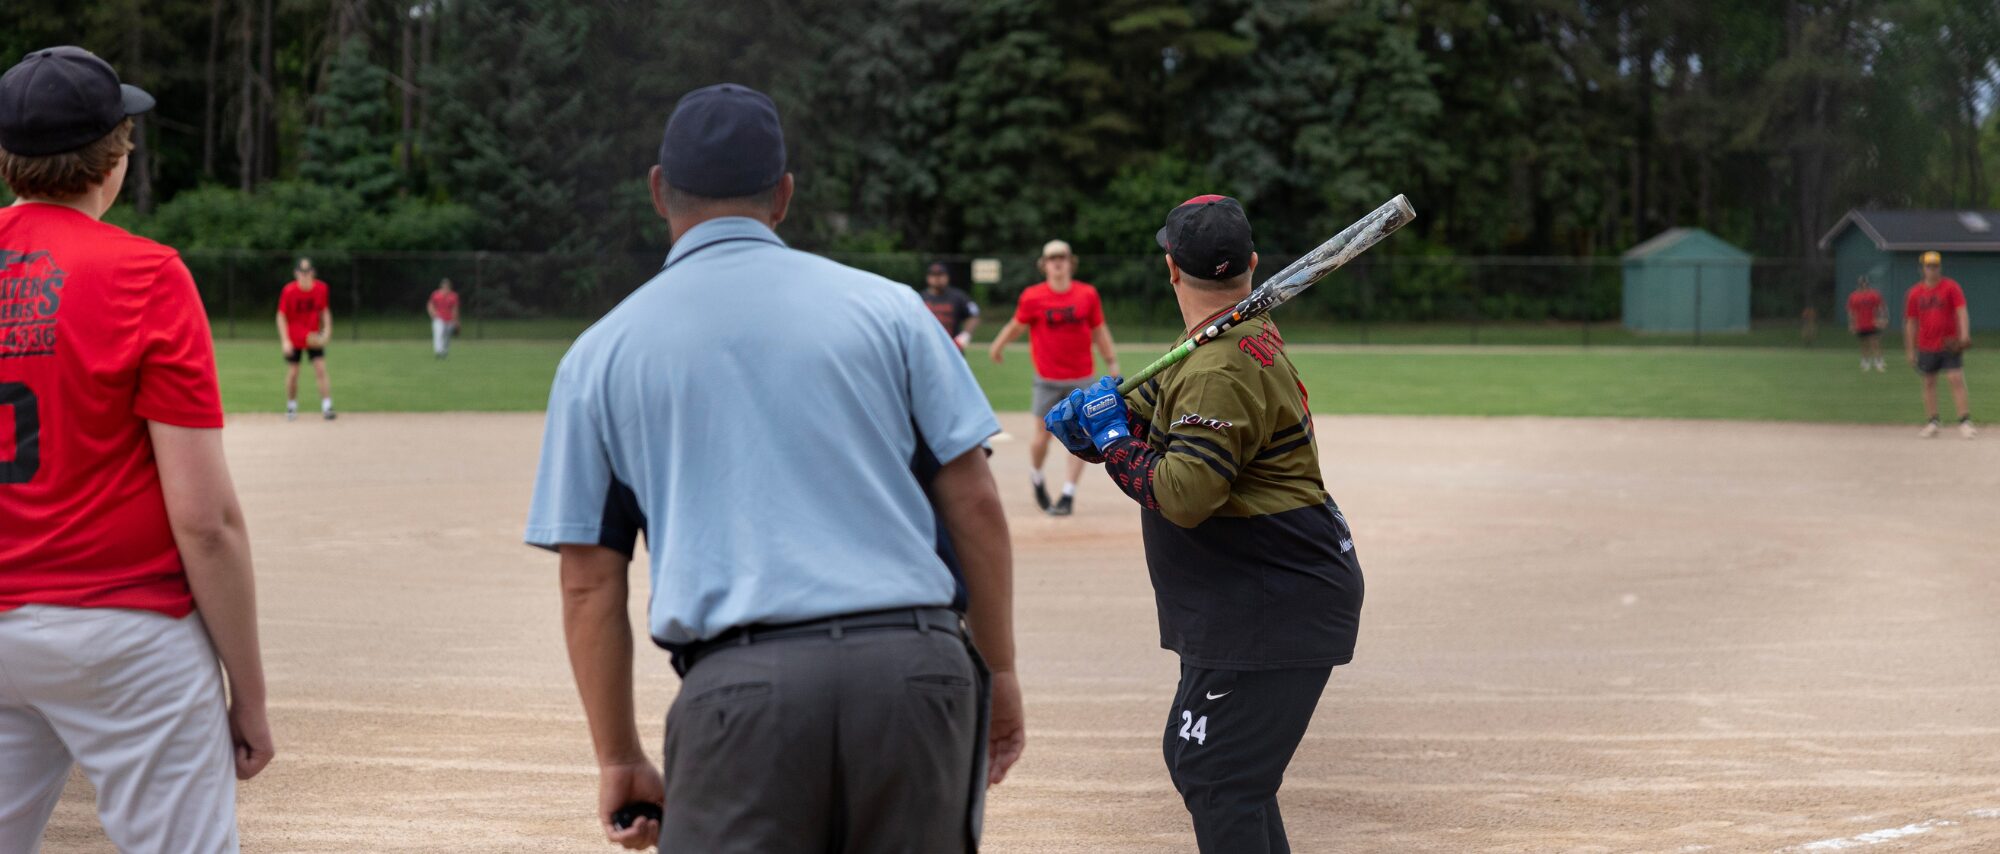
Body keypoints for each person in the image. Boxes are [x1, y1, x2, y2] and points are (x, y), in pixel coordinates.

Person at [524, 83, 1024, 852]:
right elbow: (976, 503)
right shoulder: (892, 311)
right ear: (783, 195)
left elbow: (588, 583)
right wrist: (1002, 670)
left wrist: (619, 757)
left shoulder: (599, 356)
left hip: (741, 694)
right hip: (912, 672)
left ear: (658, 190)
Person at [0, 45, 274, 853]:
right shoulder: (145, 274)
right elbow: (206, 521)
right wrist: (250, 694)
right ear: (114, 157)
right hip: (122, 632)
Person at [1044, 195, 1363, 854]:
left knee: (1218, 774)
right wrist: (1095, 428)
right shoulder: (1218, 343)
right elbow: (1143, 417)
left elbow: (1183, 494)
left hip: (1272, 596)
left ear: (1170, 269)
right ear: (1252, 263)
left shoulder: (1220, 363)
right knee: (1219, 770)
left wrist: (1111, 439)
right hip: (1254, 593)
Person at [986, 239, 1119, 516]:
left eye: (1062, 257)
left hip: (1082, 377)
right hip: (1047, 378)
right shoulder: (1033, 296)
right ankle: (1036, 476)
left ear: (1071, 262)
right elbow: (1016, 326)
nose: (1057, 262)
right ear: (1044, 265)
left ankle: (1068, 494)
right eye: (1052, 258)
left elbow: (1099, 330)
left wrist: (1111, 361)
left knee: (1084, 436)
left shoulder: (1087, 294)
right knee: (1041, 436)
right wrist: (997, 346)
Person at [1904, 251, 1974, 439]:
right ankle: (1933, 421)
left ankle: (1965, 421)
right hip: (1926, 344)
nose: (1932, 269)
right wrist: (1910, 350)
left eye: (1935, 266)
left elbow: (1961, 311)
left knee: (1955, 378)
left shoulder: (1951, 287)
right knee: (1928, 382)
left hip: (1948, 343)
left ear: (1940, 267)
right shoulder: (1914, 293)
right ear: (1922, 269)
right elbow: (1911, 322)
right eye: (1929, 266)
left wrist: (1964, 335)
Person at [276, 257, 335, 420]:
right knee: (293, 372)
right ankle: (291, 407)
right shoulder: (289, 291)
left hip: (313, 337)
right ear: (296, 273)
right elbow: (281, 316)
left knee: (320, 368)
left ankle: (327, 406)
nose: (305, 275)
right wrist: (285, 341)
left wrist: (327, 330)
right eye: (302, 272)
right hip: (294, 337)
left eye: (308, 271)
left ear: (313, 272)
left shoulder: (321, 288)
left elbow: (324, 310)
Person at [921, 261, 980, 351]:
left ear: (947, 277)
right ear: (928, 278)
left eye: (940, 275)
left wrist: (965, 336)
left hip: (952, 347)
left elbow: (974, 315)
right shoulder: (920, 298)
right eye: (933, 275)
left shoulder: (958, 297)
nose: (937, 278)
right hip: (928, 347)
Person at [1846, 274, 1885, 371]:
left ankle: (1878, 361)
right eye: (1861, 283)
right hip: (1860, 324)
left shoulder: (1874, 294)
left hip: (1872, 323)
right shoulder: (1853, 296)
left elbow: (1880, 308)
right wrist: (1851, 324)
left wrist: (1881, 319)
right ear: (1859, 284)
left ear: (1867, 284)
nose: (1863, 285)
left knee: (1875, 343)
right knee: (1864, 344)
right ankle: (1865, 361)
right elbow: (1851, 312)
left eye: (1865, 283)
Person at [427, 277, 460, 360]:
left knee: (447, 336)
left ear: (450, 287)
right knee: (438, 334)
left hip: (449, 319)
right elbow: (430, 305)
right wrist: (432, 313)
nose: (446, 287)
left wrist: (456, 321)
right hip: (439, 318)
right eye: (444, 285)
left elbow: (455, 309)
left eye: (447, 286)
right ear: (441, 286)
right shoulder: (436, 294)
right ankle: (438, 351)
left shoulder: (453, 296)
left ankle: (445, 351)